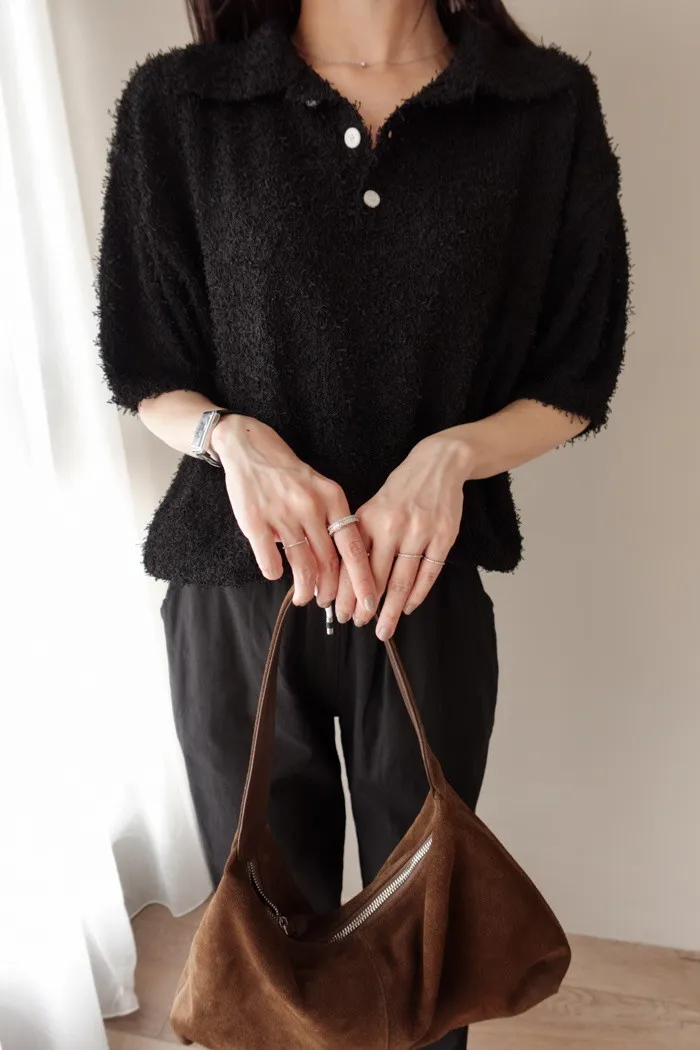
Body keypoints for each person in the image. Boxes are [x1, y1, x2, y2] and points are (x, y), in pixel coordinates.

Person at [96, 0, 630, 1046]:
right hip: (235, 592)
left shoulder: (540, 107)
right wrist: (229, 439)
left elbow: (577, 372)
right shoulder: (184, 105)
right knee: (265, 970)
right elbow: (144, 362)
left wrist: (452, 457)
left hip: (422, 587)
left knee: (426, 967)